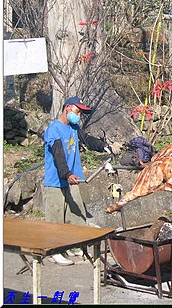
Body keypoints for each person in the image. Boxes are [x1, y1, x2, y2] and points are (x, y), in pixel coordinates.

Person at [43, 96, 121, 265]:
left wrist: (104, 146)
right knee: (56, 217)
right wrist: (66, 174)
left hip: (73, 179)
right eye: (78, 111)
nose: (79, 115)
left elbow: (87, 140)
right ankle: (54, 250)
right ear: (68, 108)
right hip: (56, 180)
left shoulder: (74, 128)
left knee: (77, 214)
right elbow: (58, 155)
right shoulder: (54, 129)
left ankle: (75, 246)